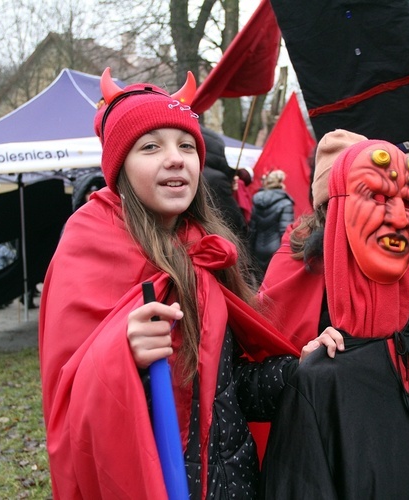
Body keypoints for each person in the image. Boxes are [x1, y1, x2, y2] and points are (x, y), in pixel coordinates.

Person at [38, 67, 342, 499]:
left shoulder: (204, 249)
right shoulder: (86, 246)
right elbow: (68, 406)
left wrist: (303, 367)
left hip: (232, 483)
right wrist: (123, 353)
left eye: (186, 145)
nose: (176, 158)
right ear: (119, 165)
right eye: (150, 147)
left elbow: (229, 389)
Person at [260, 134, 409, 498]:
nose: (393, 217)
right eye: (374, 197)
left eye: (405, 201)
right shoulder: (294, 265)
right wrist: (305, 363)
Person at [249, 169, 294, 279]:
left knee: (259, 283)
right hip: (275, 249)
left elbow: (252, 228)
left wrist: (249, 249)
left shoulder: (257, 200)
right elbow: (284, 231)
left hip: (257, 248)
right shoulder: (286, 203)